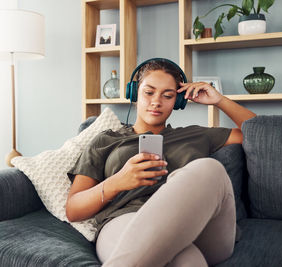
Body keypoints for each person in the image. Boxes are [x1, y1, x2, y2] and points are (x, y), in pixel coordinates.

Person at [66, 58, 256, 267]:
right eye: (149, 92)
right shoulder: (107, 140)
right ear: (134, 94)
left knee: (210, 169)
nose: (157, 101)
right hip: (127, 221)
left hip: (196, 228)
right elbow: (73, 209)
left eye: (168, 95)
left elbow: (261, 134)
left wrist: (219, 100)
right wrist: (118, 182)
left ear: (179, 101)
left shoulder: (196, 135)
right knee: (189, 261)